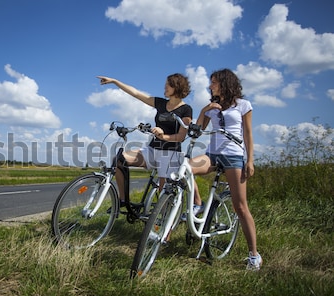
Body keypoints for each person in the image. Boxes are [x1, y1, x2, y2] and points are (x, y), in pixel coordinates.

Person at [190, 68, 262, 271]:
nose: (210, 85)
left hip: (233, 155)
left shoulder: (243, 105)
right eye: (210, 82)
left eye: (214, 82)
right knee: (185, 168)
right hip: (212, 154)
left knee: (240, 206)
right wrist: (205, 109)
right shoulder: (211, 107)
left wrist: (250, 161)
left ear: (225, 83)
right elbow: (199, 130)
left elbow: (248, 134)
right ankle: (198, 205)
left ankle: (254, 255)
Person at [97, 74, 192, 206]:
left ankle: (165, 222)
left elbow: (181, 137)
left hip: (170, 154)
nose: (165, 87)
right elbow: (135, 93)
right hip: (152, 150)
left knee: (164, 197)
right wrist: (115, 81)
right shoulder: (160, 103)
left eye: (168, 84)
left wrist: (164, 136)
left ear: (177, 86)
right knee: (119, 159)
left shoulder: (186, 109)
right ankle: (122, 200)